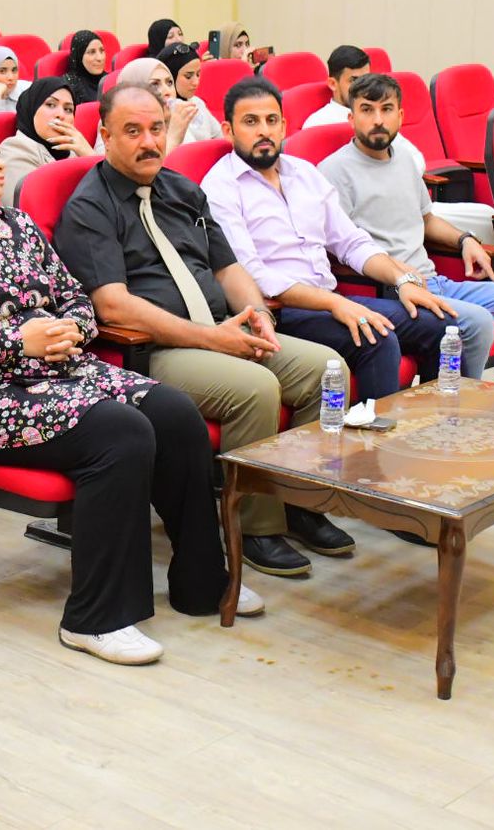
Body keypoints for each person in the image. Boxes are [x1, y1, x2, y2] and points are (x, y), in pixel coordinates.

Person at [0, 118, 262, 665]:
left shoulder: (17, 224)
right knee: (122, 432)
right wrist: (18, 341)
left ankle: (203, 581)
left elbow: (74, 296)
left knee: (175, 413)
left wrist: (70, 330)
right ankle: (95, 618)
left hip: (65, 371)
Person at [56, 84, 344, 579]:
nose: (150, 142)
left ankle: (299, 501)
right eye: (132, 131)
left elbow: (227, 267)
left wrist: (257, 313)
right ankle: (253, 528)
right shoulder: (90, 206)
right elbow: (112, 304)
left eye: (156, 129)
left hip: (219, 329)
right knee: (255, 387)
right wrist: (213, 339)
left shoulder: (182, 190)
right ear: (104, 135)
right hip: (149, 351)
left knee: (326, 369)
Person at [203, 77, 457, 402]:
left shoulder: (304, 173)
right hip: (280, 311)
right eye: (251, 122)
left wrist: (401, 279)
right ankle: (372, 433)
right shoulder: (221, 187)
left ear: (284, 126)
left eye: (271, 120)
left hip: (329, 299)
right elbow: (253, 273)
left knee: (438, 325)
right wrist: (335, 303)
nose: (264, 131)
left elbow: (351, 241)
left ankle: (431, 423)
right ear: (228, 130)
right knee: (375, 338)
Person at [318, 73, 494, 388]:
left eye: (386, 109)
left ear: (400, 116)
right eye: (367, 110)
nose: (377, 120)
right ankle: (458, 407)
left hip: (434, 281)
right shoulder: (333, 171)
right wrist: (397, 275)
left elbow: (426, 219)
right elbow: (340, 247)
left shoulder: (404, 158)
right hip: (389, 291)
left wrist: (465, 240)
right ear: (351, 118)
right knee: (476, 322)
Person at [301, 43, 494, 243]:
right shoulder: (318, 124)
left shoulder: (387, 133)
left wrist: (395, 177)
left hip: (406, 201)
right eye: (355, 80)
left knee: (486, 216)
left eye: (386, 109)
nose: (377, 119)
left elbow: (416, 159)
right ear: (333, 84)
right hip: (367, 211)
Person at [0, 77, 97, 207]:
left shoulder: (75, 150)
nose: (61, 115)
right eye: (51, 105)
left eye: (68, 109)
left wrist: (90, 155)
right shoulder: (15, 149)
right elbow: (32, 210)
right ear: (32, 108)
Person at [115, 55, 221, 148]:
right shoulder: (123, 130)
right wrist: (174, 137)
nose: (167, 91)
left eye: (169, 83)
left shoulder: (174, 119)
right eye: (155, 85)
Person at [159, 42, 222, 141]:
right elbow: (189, 148)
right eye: (188, 76)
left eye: (198, 74)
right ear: (170, 77)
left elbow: (220, 135)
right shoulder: (166, 112)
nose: (196, 82)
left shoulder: (197, 102)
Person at [62, 29, 107, 105]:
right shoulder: (69, 87)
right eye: (92, 52)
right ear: (79, 56)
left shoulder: (109, 80)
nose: (100, 58)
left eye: (102, 51)